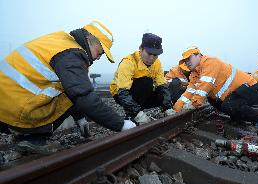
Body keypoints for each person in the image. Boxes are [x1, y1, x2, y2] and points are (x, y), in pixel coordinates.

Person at [0, 20, 136, 154]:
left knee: (70, 91)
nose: (99, 58)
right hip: (12, 107)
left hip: (8, 99)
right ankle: (34, 138)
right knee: (74, 95)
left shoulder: (62, 42)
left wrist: (80, 118)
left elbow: (75, 90)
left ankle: (28, 134)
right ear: (90, 40)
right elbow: (84, 96)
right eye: (100, 52)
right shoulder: (72, 55)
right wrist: (121, 124)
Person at [173, 47, 258, 131]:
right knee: (212, 99)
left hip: (251, 88)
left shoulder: (210, 62)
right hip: (236, 92)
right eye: (185, 61)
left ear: (198, 55)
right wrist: (176, 109)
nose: (187, 62)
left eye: (188, 58)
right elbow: (189, 91)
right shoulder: (194, 74)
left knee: (229, 105)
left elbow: (204, 87)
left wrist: (194, 103)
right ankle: (237, 119)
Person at [110, 33, 176, 125]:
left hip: (142, 94)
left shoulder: (157, 63)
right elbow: (123, 93)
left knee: (168, 89)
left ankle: (143, 109)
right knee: (145, 82)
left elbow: (162, 86)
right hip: (121, 94)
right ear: (141, 49)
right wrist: (137, 113)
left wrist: (168, 107)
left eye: (155, 55)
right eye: (149, 53)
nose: (152, 58)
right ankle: (131, 115)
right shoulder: (128, 62)